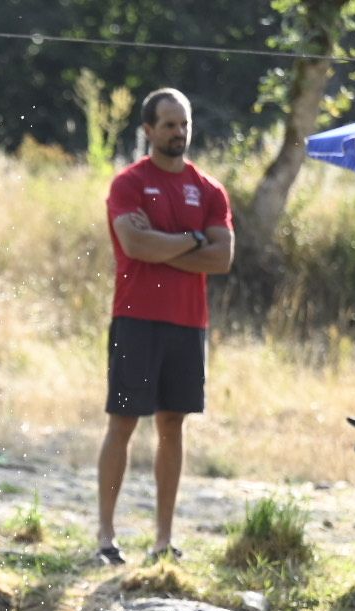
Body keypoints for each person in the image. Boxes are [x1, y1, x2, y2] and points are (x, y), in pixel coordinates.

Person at [97, 88, 235, 565]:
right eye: (169, 124)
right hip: (136, 318)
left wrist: (169, 242)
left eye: (184, 124)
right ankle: (106, 537)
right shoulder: (128, 184)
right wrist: (192, 241)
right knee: (123, 423)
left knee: (172, 425)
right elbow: (136, 247)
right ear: (148, 130)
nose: (179, 133)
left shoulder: (210, 189)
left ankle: (162, 540)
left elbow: (222, 258)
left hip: (187, 322)